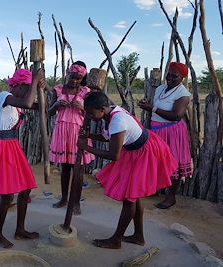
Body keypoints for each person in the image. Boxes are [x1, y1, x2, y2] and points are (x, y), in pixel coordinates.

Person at [77, 91, 177, 249]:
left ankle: (116, 240)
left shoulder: (118, 120)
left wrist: (86, 147)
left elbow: (113, 155)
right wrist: (90, 135)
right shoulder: (110, 113)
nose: (89, 116)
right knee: (133, 196)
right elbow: (108, 137)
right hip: (135, 151)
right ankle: (138, 236)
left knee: (129, 199)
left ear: (102, 108)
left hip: (144, 152)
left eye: (90, 113)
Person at [0, 68, 45, 249]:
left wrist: (41, 88)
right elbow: (28, 101)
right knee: (7, 196)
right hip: (1, 146)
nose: (25, 91)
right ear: (16, 86)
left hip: (12, 146)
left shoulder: (17, 102)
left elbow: (41, 107)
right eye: (24, 88)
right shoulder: (4, 96)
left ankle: (20, 230)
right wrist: (33, 83)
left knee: (24, 190)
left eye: (27, 88)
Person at [138, 62, 192, 209]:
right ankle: (154, 190)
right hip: (157, 130)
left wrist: (152, 108)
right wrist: (147, 104)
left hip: (172, 131)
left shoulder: (183, 94)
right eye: (169, 74)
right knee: (155, 161)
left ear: (182, 78)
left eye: (175, 76)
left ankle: (171, 196)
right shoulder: (161, 88)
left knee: (173, 163)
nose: (170, 78)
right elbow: (157, 106)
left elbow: (176, 115)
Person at [48, 61, 95, 215]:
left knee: (78, 169)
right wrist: (56, 106)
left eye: (78, 79)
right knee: (65, 168)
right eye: (72, 77)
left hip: (77, 132)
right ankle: (64, 199)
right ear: (67, 74)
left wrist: (82, 108)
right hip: (61, 131)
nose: (74, 81)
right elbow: (48, 112)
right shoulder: (58, 89)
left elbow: (93, 114)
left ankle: (76, 202)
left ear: (82, 79)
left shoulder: (86, 92)